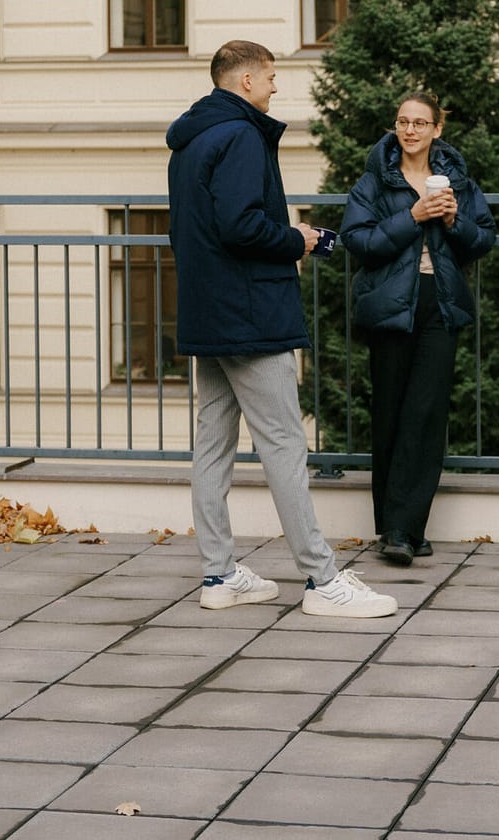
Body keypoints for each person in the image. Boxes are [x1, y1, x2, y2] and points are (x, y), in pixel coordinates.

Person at [166, 40, 397, 618]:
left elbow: (205, 228)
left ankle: (219, 575)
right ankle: (322, 580)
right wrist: (300, 239)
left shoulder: (191, 140)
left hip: (209, 309)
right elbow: (242, 225)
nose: (276, 87)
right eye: (270, 77)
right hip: (251, 313)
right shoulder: (242, 135)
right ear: (244, 81)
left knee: (212, 444)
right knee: (285, 443)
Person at [342, 92, 497, 566]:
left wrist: (453, 220)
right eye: (403, 123)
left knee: (426, 415)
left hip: (439, 305)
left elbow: (484, 237)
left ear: (437, 129)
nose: (410, 131)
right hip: (390, 307)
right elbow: (357, 241)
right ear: (396, 127)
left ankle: (406, 528)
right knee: (390, 412)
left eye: (420, 123)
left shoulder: (457, 181)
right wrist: (412, 217)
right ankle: (394, 527)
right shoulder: (374, 181)